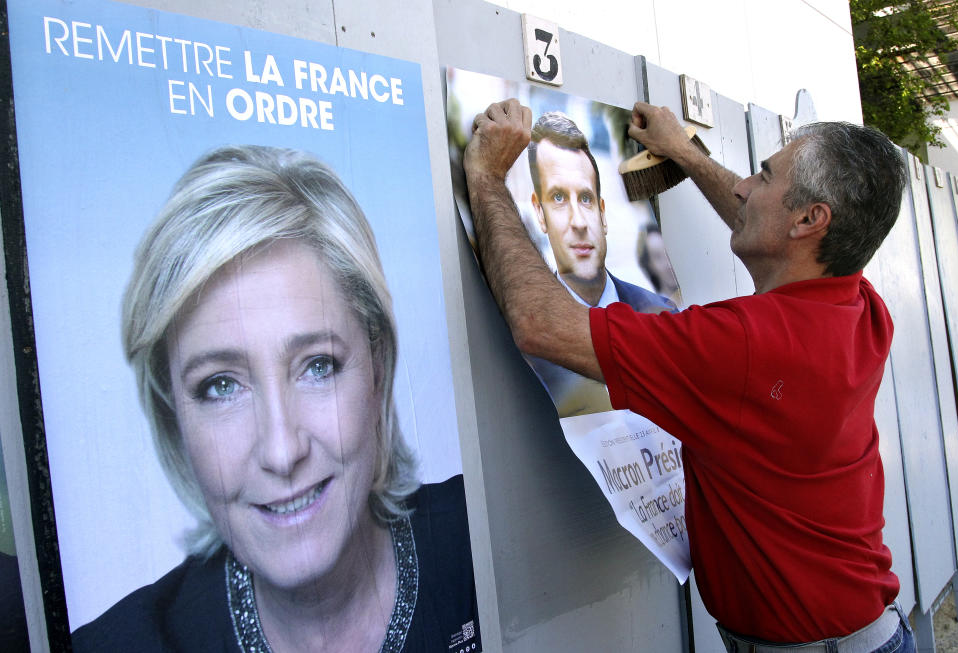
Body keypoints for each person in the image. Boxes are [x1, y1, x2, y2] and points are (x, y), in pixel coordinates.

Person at [463, 99, 915, 652]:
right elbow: (779, 236)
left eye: (764, 176)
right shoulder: (860, 307)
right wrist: (683, 152)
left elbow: (539, 325)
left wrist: (486, 176)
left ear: (808, 219)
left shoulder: (745, 346)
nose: (744, 187)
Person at [72, 146, 480, 653]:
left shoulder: (489, 536)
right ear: (173, 416)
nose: (282, 451)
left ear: (377, 367)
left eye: (318, 366)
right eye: (221, 386)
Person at [524, 111, 676, 417]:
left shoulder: (664, 315)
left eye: (585, 198)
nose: (578, 222)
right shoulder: (527, 344)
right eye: (557, 198)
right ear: (539, 214)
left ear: (602, 212)